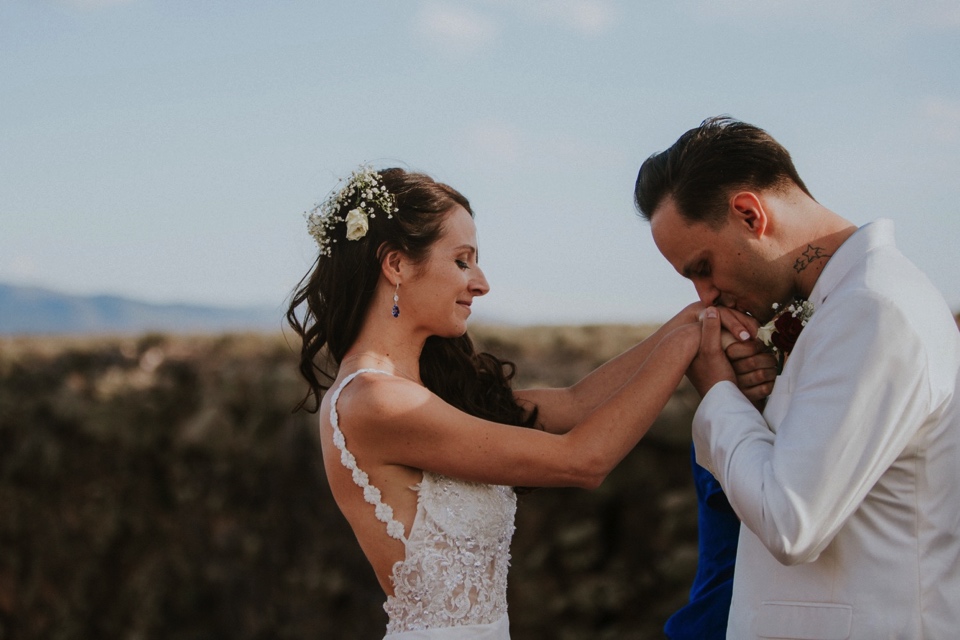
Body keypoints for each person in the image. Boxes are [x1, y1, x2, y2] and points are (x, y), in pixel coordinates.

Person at [286, 165, 758, 639]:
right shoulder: (374, 400)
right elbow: (582, 460)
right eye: (462, 260)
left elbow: (574, 405)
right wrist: (684, 350)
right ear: (397, 265)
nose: (481, 282)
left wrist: (691, 321)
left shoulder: (424, 393)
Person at [635, 116, 960, 639]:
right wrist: (756, 401)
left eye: (702, 266)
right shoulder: (845, 305)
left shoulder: (872, 310)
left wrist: (717, 393)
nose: (705, 295)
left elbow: (792, 522)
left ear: (749, 213)